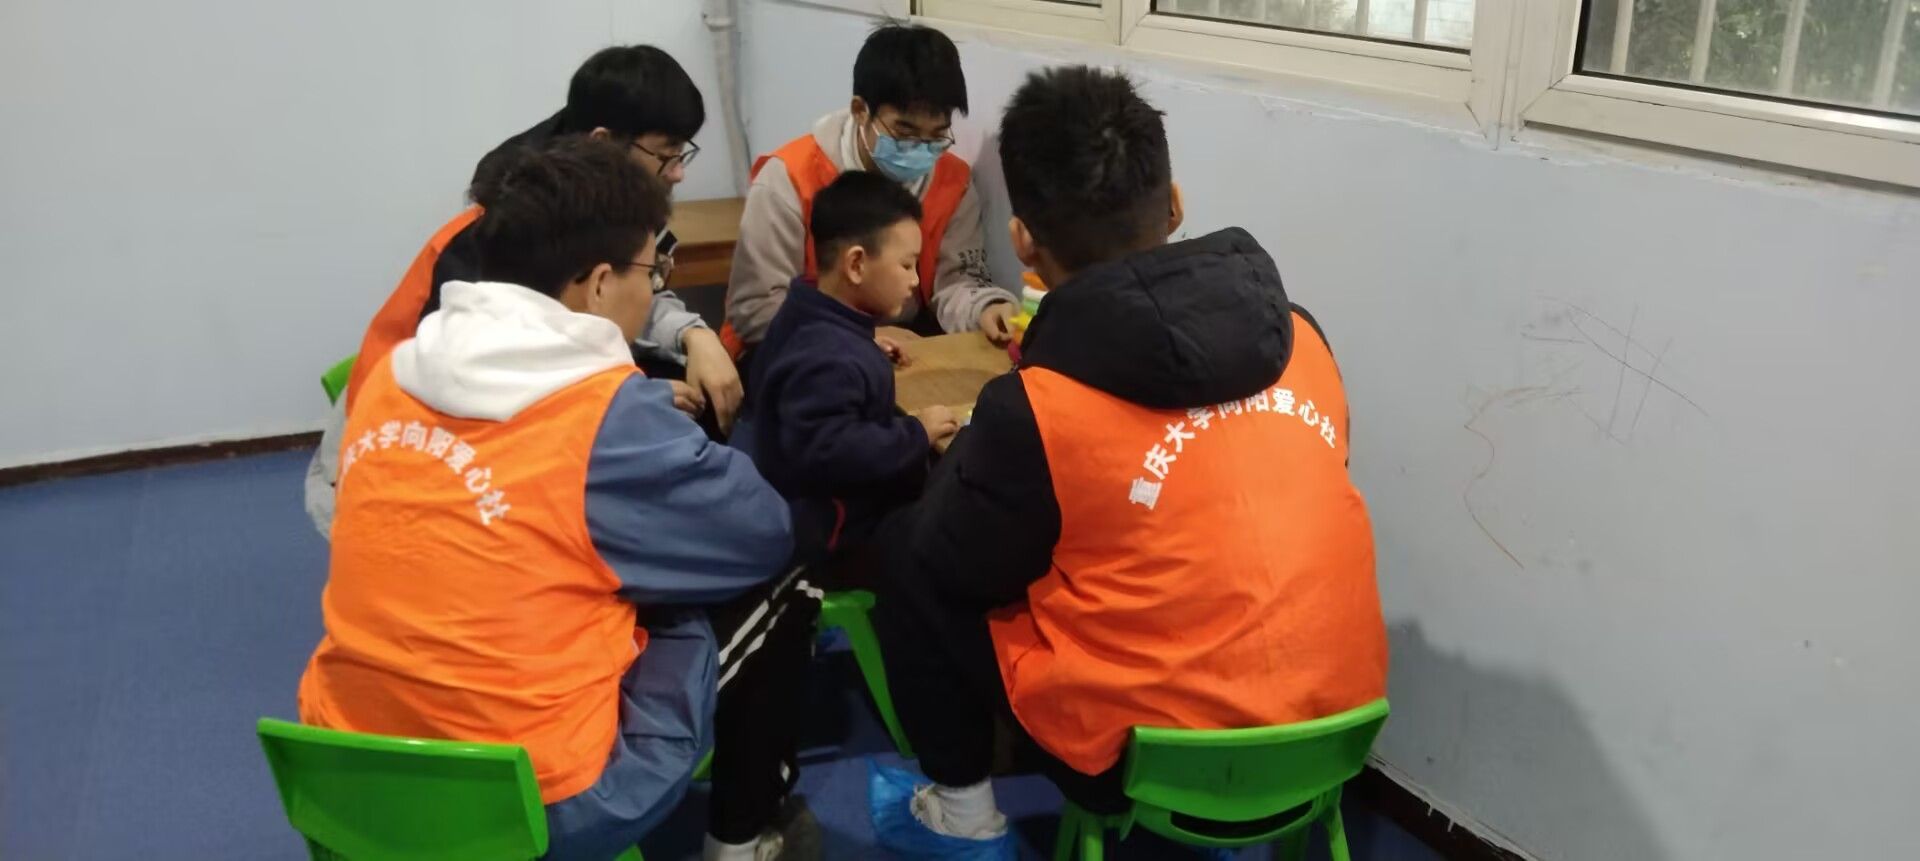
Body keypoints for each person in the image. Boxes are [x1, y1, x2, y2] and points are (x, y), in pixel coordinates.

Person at [864, 66, 1390, 856]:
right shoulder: (1302, 336)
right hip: (1336, 730)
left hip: (1139, 761)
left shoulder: (1037, 405)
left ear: (1023, 241)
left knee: (909, 548)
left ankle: (962, 810)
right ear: (1174, 203)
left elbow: (956, 560)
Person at [297, 138, 793, 861]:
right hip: (538, 801)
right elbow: (762, 529)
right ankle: (739, 842)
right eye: (653, 270)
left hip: (345, 771)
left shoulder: (393, 376)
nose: (655, 289)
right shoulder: (603, 415)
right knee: (756, 585)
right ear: (600, 284)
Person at [305, 45, 737, 536]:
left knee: (680, 402)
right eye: (666, 154)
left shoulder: (599, 191)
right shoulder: (502, 230)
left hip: (474, 401)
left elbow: (629, 286)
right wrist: (632, 398)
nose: (678, 171)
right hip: (383, 456)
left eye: (682, 153)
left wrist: (694, 334)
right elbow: (492, 380)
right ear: (603, 141)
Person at [723, 23, 1015, 365]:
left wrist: (985, 308)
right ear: (860, 111)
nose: (921, 150)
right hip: (797, 350)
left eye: (936, 136)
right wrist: (856, 338)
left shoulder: (953, 182)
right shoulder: (788, 178)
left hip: (905, 347)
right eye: (904, 132)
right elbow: (756, 309)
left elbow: (957, 281)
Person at [738, 170, 962, 545]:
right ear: (856, 264)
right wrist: (916, 433)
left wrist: (863, 343)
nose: (914, 281)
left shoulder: (805, 310)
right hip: (835, 527)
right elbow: (832, 450)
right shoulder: (830, 358)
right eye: (907, 265)